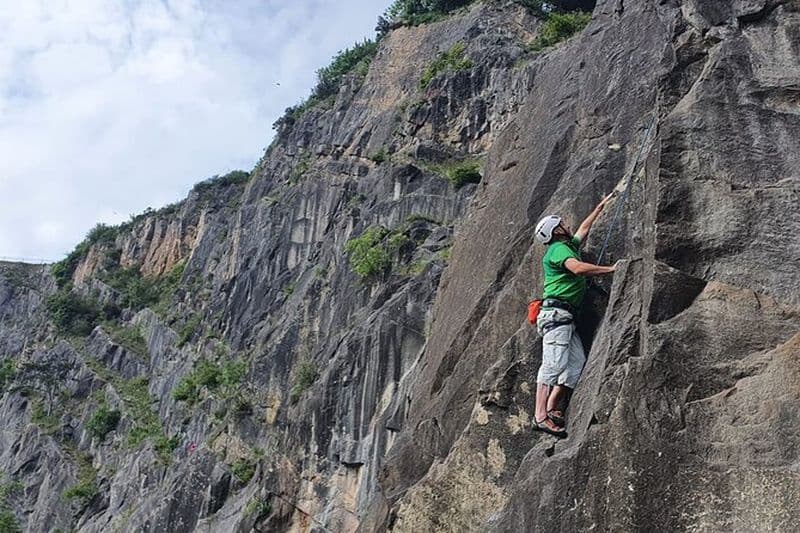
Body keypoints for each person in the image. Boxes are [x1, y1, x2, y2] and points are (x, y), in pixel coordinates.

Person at [533, 193, 618, 437]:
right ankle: (540, 417)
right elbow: (578, 268)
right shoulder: (558, 250)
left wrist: (600, 206)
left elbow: (583, 228)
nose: (566, 226)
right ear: (555, 232)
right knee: (553, 364)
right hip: (556, 316)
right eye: (561, 225)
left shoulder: (566, 245)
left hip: (565, 318)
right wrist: (611, 269)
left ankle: (551, 408)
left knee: (576, 364)